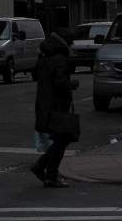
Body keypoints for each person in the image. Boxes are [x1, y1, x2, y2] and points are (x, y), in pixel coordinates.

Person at [33, 29, 77, 188]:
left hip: (45, 105)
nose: (72, 46)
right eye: (71, 43)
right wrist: (72, 84)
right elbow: (60, 83)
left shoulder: (45, 58)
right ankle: (48, 173)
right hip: (56, 106)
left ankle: (45, 170)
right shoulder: (60, 59)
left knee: (60, 139)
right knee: (62, 139)